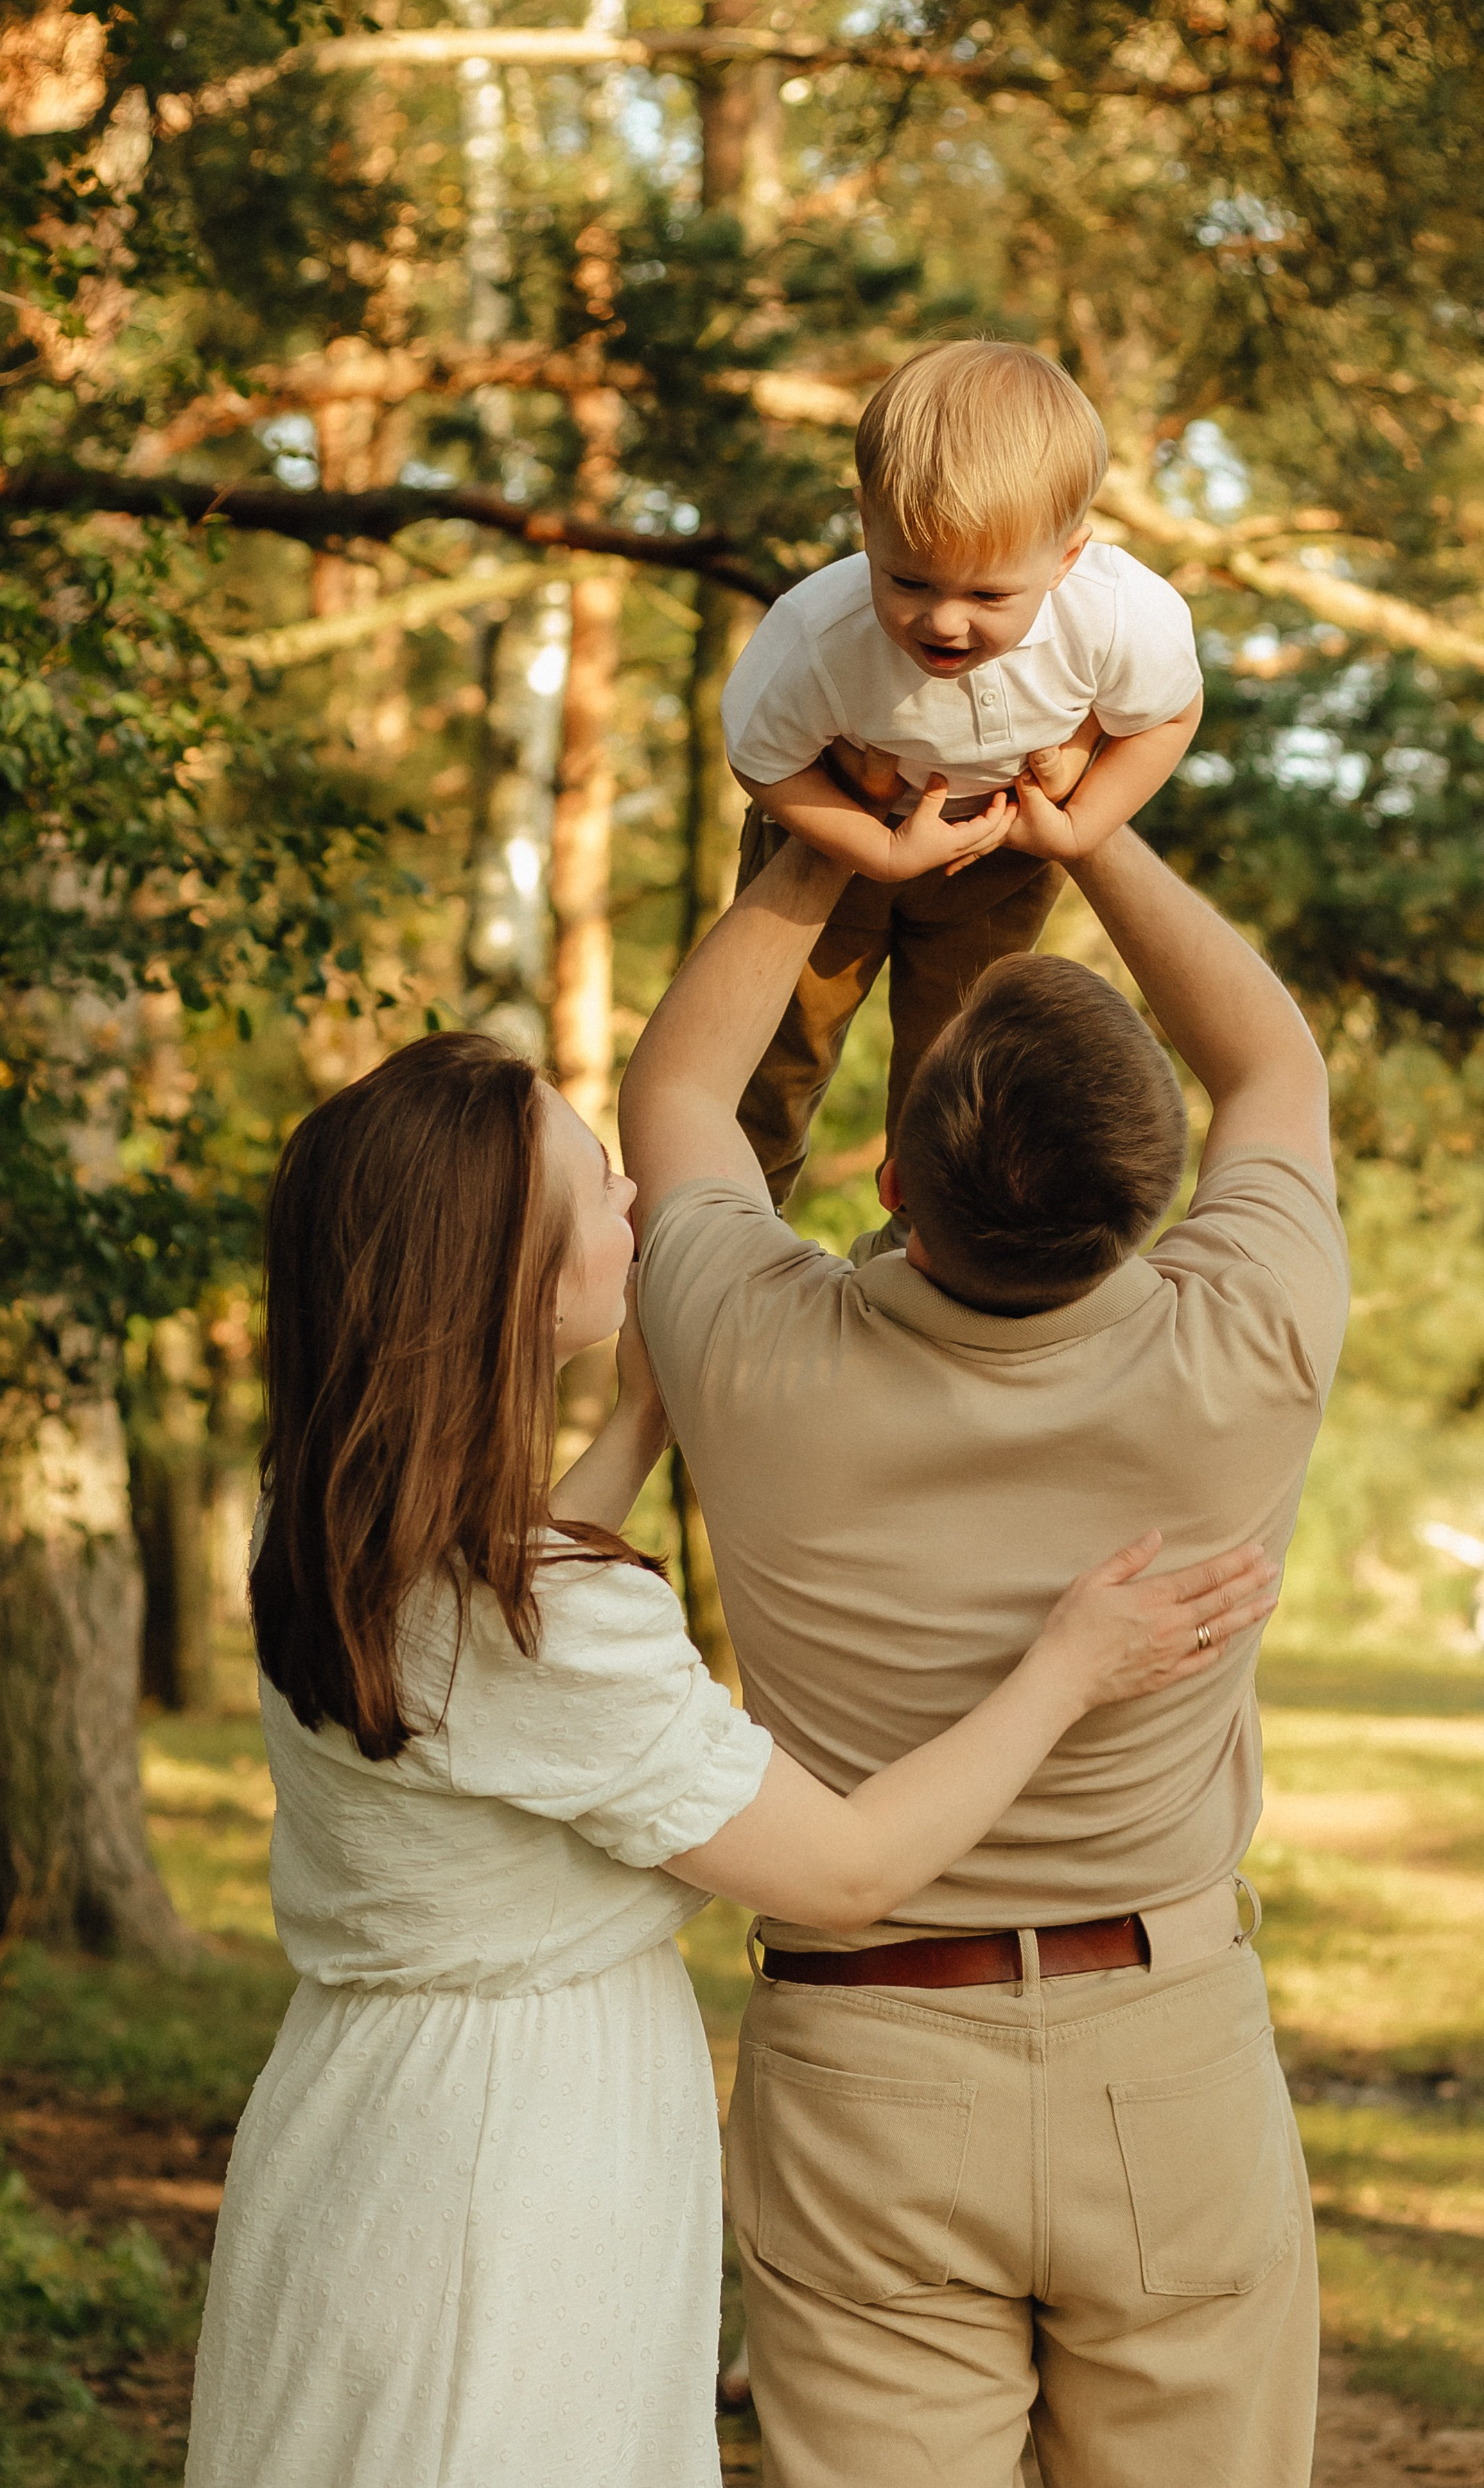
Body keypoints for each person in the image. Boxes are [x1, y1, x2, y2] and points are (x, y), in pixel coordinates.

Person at [182, 1032, 1277, 2488]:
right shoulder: (539, 1626)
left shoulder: (340, 1538)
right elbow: (848, 1870)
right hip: (502, 2179)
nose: (638, 1196)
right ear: (508, 1273)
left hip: (376, 2120)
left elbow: (506, 1655)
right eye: (597, 1182)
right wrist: (1064, 1669)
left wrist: (643, 1417)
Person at [618, 781, 1348, 2488]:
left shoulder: (751, 1355)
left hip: (864, 2066)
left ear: (890, 1177)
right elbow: (1274, 1067)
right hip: (1162, 2049)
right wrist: (1087, 827)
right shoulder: (1244, 1344)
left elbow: (677, 1094)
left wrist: (826, 853)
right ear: (1154, 1189)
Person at [721, 338, 1203, 1206]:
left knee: (954, 1062)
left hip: (999, 855)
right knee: (775, 1049)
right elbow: (762, 761)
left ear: (1064, 559)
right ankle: (728, 1221)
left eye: (987, 597)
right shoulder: (816, 639)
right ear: (866, 522)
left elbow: (1169, 715)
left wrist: (1084, 825)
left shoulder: (1119, 620)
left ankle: (926, 1240)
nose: (942, 621)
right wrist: (868, 847)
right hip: (836, 844)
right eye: (907, 580)